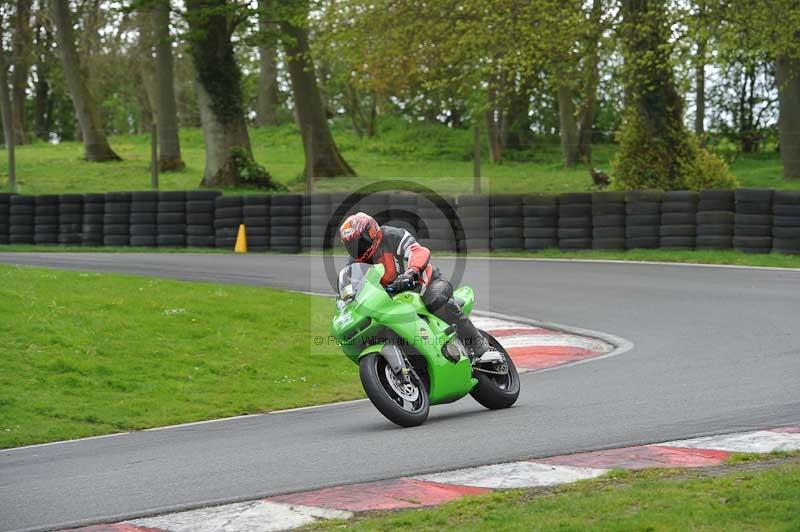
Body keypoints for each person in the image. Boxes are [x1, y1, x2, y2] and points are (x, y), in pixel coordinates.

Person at [339, 211, 489, 358]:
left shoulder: (392, 236)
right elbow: (350, 288)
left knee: (436, 301)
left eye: (361, 242)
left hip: (424, 284)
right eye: (351, 246)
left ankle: (479, 346)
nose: (357, 249)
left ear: (371, 232)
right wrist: (344, 302)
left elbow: (417, 251)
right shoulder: (355, 262)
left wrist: (412, 271)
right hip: (393, 300)